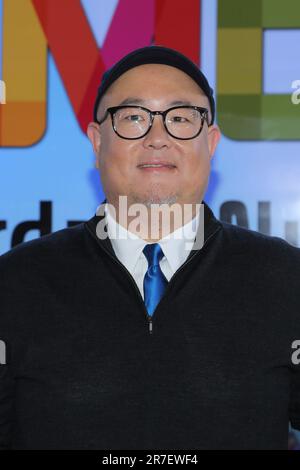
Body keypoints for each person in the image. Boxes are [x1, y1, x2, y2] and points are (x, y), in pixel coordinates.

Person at [0, 45, 300, 450]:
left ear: (210, 142)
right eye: (133, 118)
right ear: (96, 140)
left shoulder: (285, 277)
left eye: (180, 118)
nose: (157, 138)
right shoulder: (15, 282)